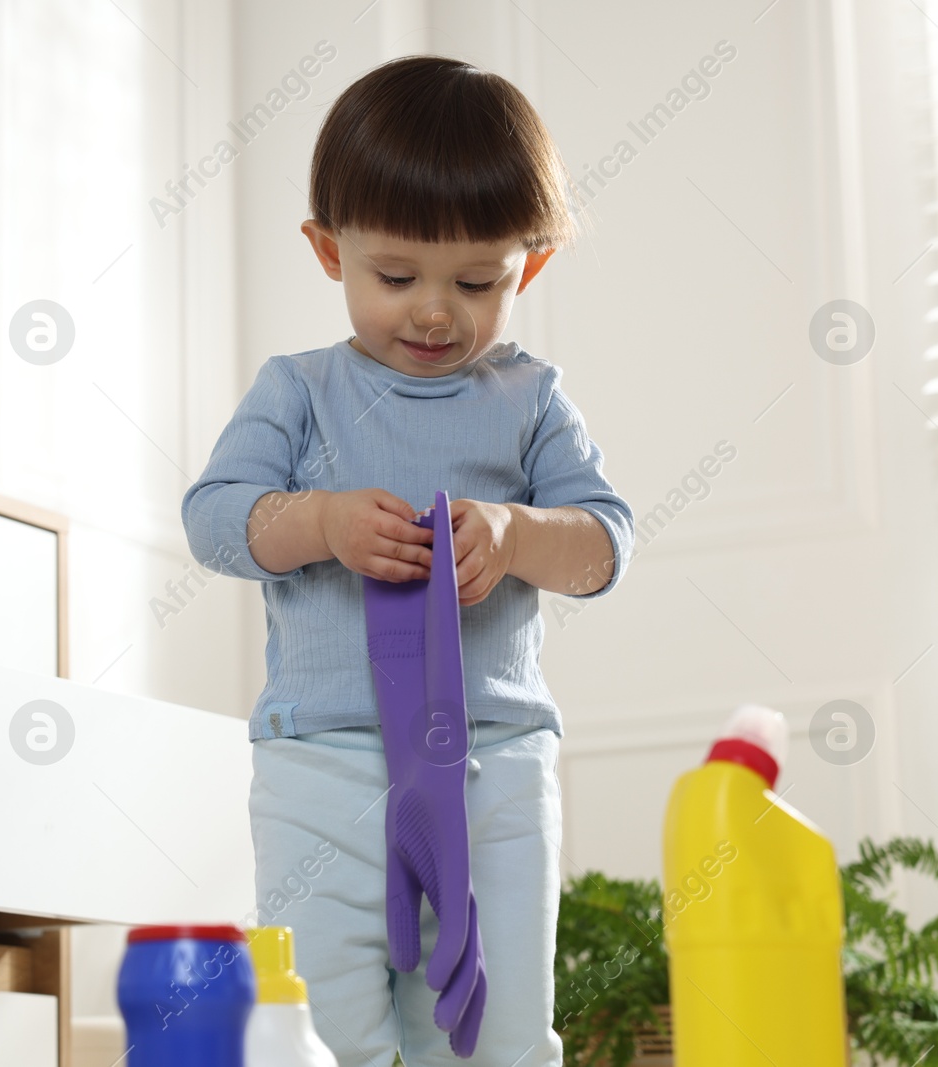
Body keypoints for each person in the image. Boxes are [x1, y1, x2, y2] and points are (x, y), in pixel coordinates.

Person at [182, 55, 635, 1066]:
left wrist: (517, 535)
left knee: (496, 1031)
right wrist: (320, 522)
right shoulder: (296, 391)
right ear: (326, 250)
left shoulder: (530, 399)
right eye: (395, 277)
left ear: (533, 263)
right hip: (319, 761)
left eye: (477, 282)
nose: (434, 312)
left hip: (494, 763)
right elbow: (215, 521)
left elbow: (605, 543)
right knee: (319, 1024)